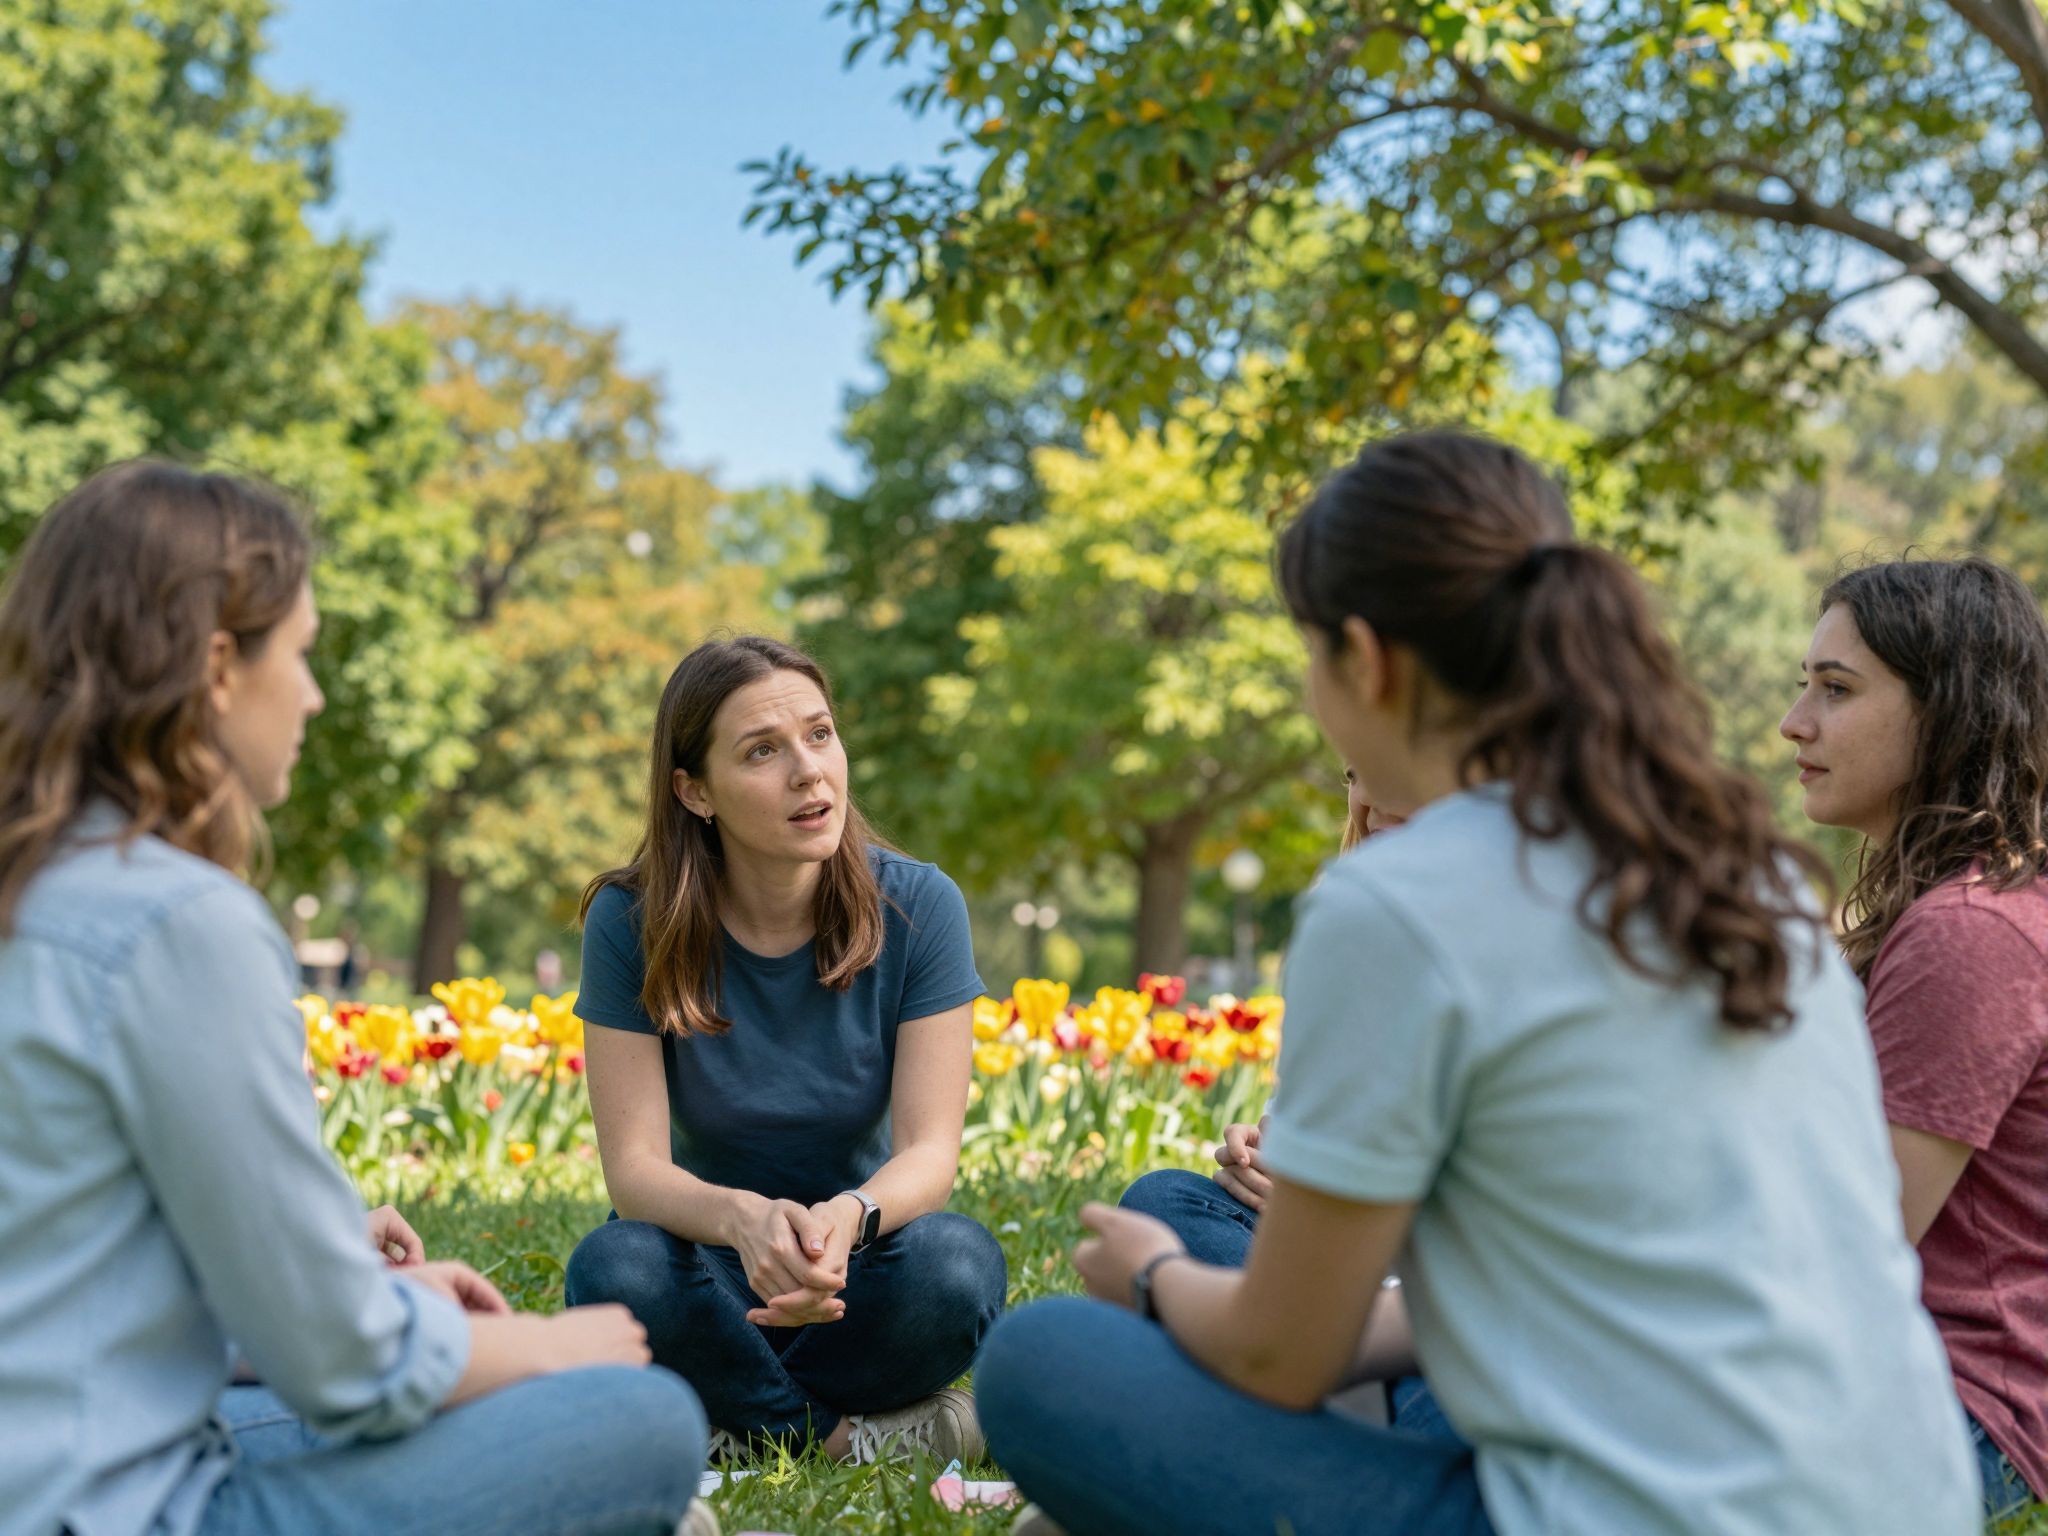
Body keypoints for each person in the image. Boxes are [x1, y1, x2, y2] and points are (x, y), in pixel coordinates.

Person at [974, 430, 1978, 1536]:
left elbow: (1278, 1348)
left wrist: (1159, 1277)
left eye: (1307, 652)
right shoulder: (1739, 867)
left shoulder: (1401, 902)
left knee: (1041, 1357)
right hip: (1900, 1497)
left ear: (1365, 658)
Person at [0, 461, 712, 1536]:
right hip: (112, 1507)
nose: (316, 693)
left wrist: (369, 1286)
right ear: (216, 667)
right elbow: (341, 1364)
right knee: (640, 1418)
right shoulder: (172, 919)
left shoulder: (39, 888)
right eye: (301, 652)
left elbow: (76, 1289)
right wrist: (544, 1349)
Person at [563, 635, 1006, 1466]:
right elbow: (635, 1172)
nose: (809, 771)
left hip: (862, 1272)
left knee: (959, 1266)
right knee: (617, 1269)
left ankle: (727, 1425)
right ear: (694, 792)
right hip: (708, 1275)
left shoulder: (921, 906)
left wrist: (848, 1220)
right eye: (762, 751)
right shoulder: (629, 921)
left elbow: (929, 1153)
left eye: (820, 734)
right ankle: (846, 1442)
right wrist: (746, 1222)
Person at [1781, 557, 2048, 1523]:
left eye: (1836, 690)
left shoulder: (1972, 931)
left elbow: (1842, 1247)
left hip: (1948, 1404)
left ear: (1950, 712)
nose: (1794, 723)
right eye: (1803, 685)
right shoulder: (1936, 913)